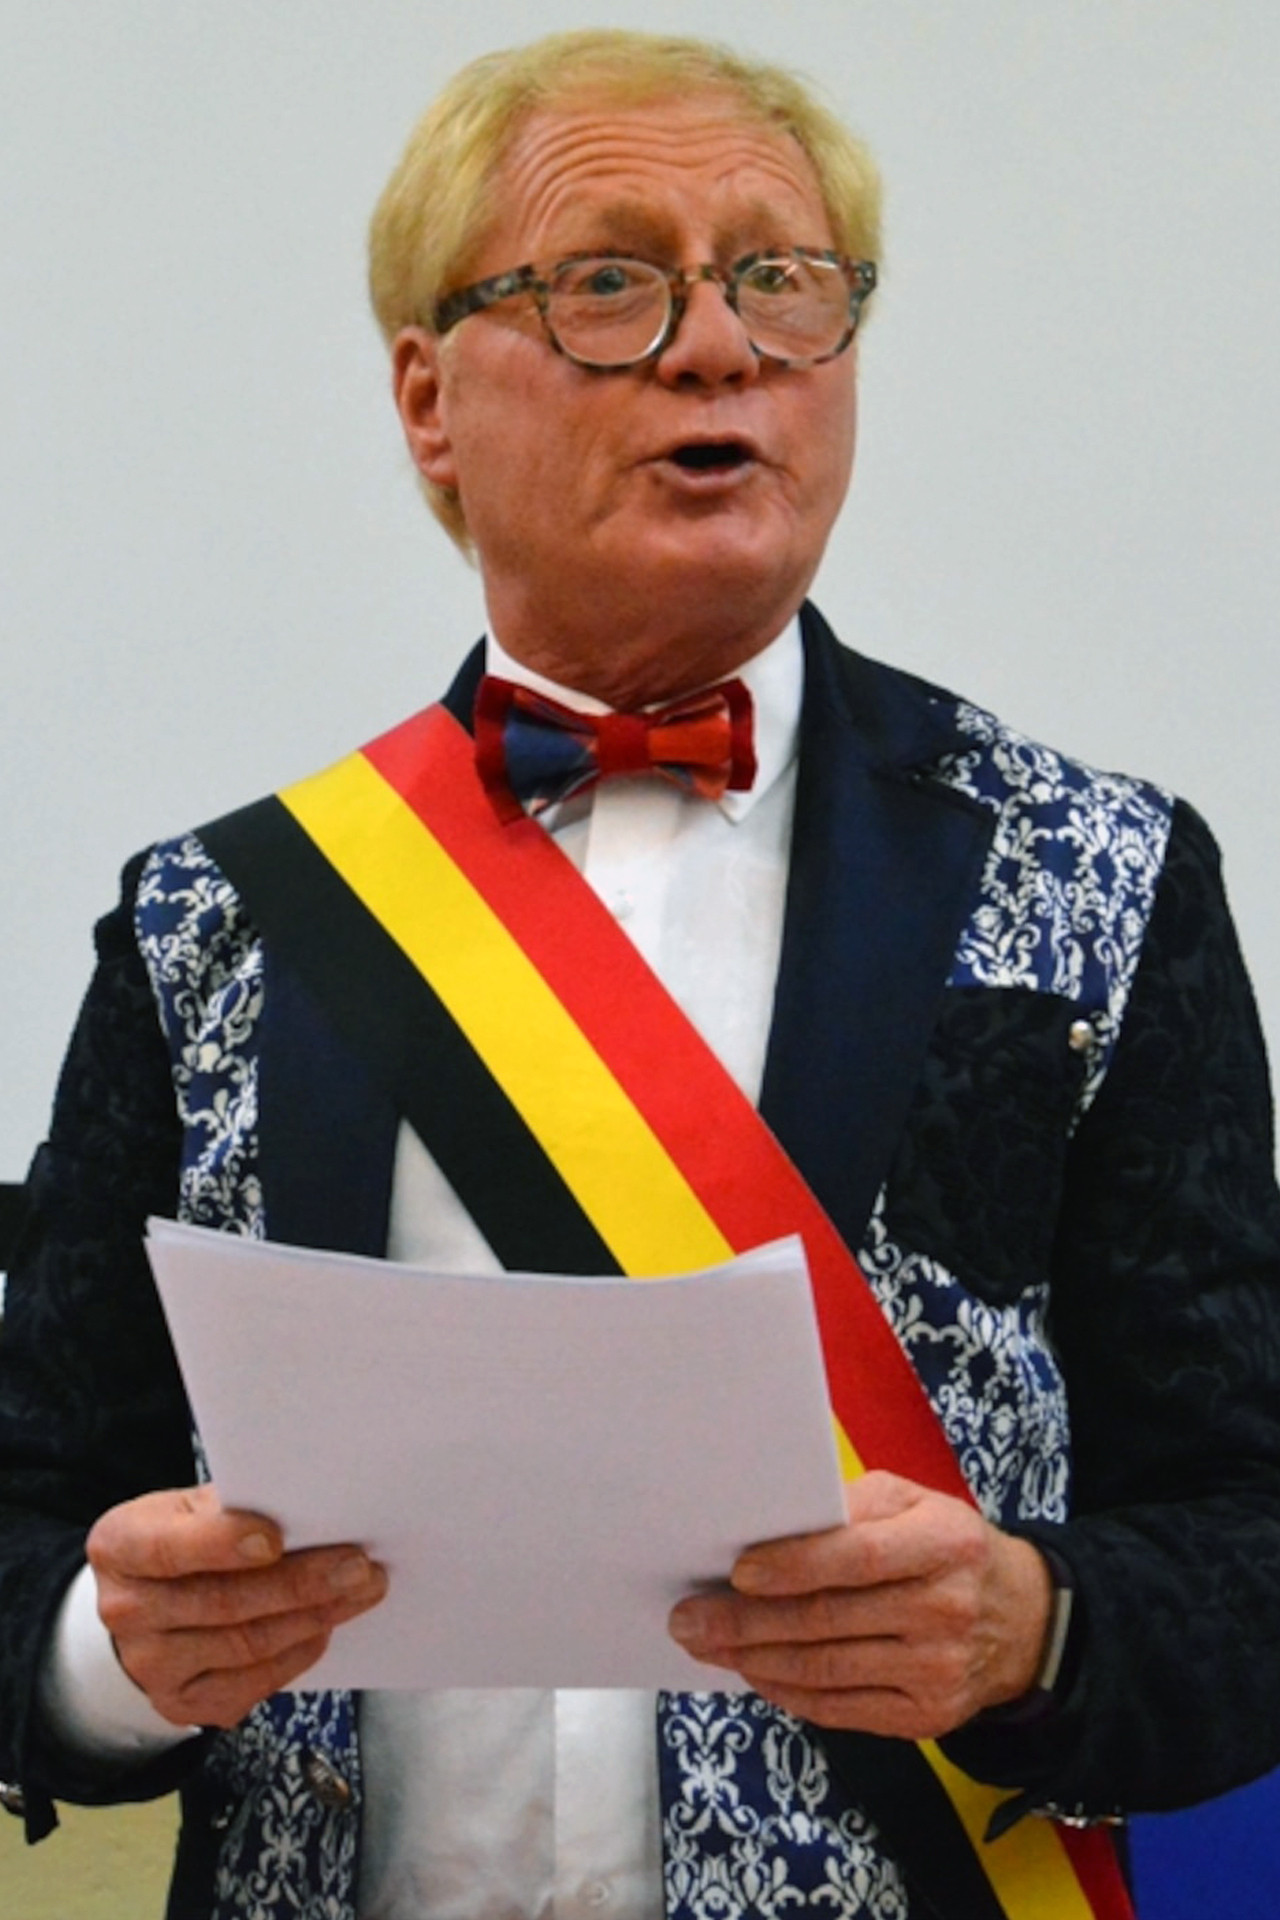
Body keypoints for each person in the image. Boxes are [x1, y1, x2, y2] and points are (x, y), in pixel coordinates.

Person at [3, 26, 1280, 1920]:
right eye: (610, 282)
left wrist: (1036, 1628)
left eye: (785, 278)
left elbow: (1248, 1533)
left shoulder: (1101, 874)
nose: (720, 348)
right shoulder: (220, 919)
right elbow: (30, 1514)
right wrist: (105, 1658)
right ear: (430, 400)